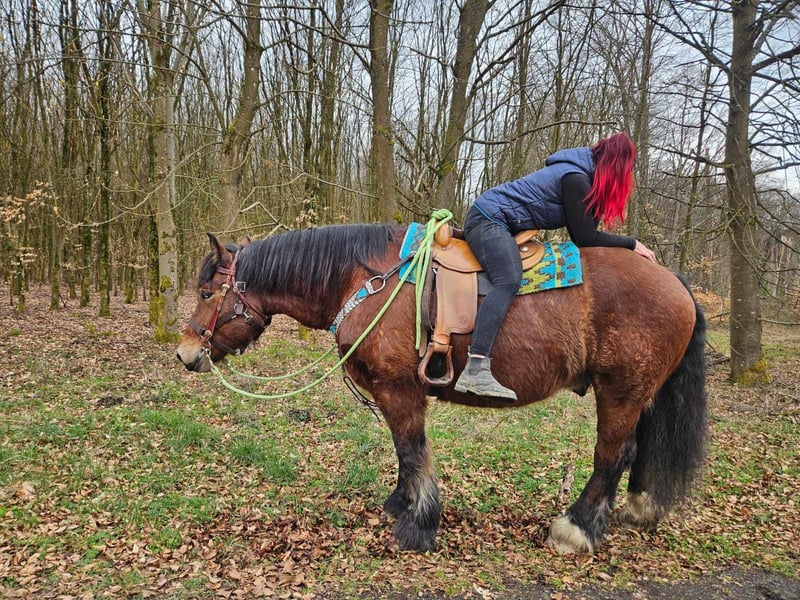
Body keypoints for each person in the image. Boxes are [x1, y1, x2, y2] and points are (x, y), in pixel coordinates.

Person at [454, 132, 657, 402]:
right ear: (615, 166)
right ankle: (476, 367)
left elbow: (588, 237)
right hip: (488, 218)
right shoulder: (575, 180)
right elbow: (586, 238)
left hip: (504, 222)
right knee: (508, 279)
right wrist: (631, 244)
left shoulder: (581, 178)